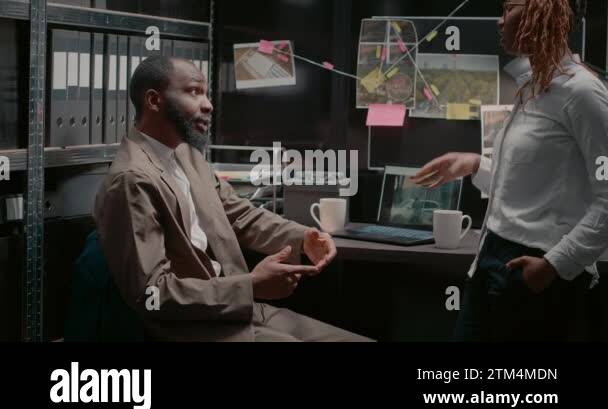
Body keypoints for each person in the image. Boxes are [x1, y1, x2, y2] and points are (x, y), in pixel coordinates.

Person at [94, 55, 371, 342]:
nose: (208, 104)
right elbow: (152, 294)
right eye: (193, 91)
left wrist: (303, 237)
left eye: (206, 93)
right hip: (195, 328)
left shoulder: (187, 155)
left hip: (237, 311)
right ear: (154, 100)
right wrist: (249, 286)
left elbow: (240, 215)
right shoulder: (131, 180)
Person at [412, 0, 608, 341]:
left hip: (536, 267)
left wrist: (555, 265)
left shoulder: (583, 92)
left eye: (509, 9)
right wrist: (474, 165)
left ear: (541, 12)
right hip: (491, 257)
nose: (500, 22)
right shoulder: (532, 87)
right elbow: (531, 184)